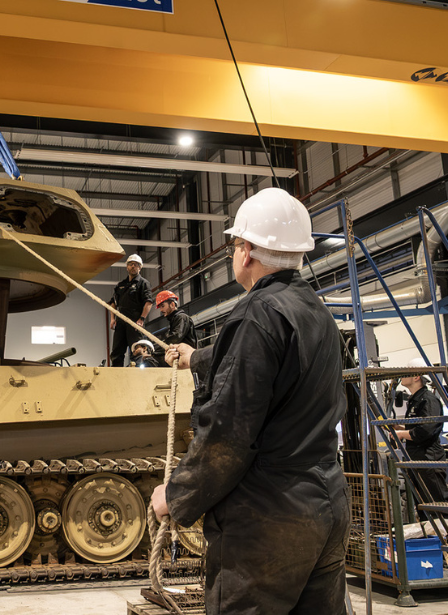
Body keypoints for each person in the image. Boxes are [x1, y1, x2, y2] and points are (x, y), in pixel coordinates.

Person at [150, 187, 349, 613]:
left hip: (270, 519)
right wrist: (197, 359)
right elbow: (270, 370)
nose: (234, 254)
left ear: (248, 251)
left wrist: (177, 494)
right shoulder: (315, 311)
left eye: (236, 244)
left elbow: (228, 433)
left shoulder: (256, 314)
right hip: (326, 504)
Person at [395, 358, 448, 543]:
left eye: (406, 372)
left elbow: (426, 429)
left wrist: (403, 434)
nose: (402, 376)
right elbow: (418, 426)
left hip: (429, 461)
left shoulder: (429, 400)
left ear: (417, 376)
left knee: (440, 506)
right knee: (424, 507)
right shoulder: (415, 401)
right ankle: (436, 550)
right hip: (417, 460)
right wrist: (399, 428)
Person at [107, 254, 152, 367]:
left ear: (140, 267)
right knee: (116, 353)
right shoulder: (120, 285)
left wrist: (142, 319)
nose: (133, 266)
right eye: (131, 264)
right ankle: (116, 377)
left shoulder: (143, 283)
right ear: (127, 267)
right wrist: (112, 319)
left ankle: (137, 377)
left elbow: (148, 302)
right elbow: (113, 302)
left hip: (135, 322)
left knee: (137, 352)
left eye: (136, 264)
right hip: (121, 322)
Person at [152, 290, 197, 365]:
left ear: (172, 304)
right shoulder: (174, 320)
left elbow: (175, 338)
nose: (161, 310)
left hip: (184, 357)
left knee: (151, 361)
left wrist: (153, 350)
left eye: (162, 306)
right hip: (179, 356)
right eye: (160, 307)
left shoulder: (181, 317)